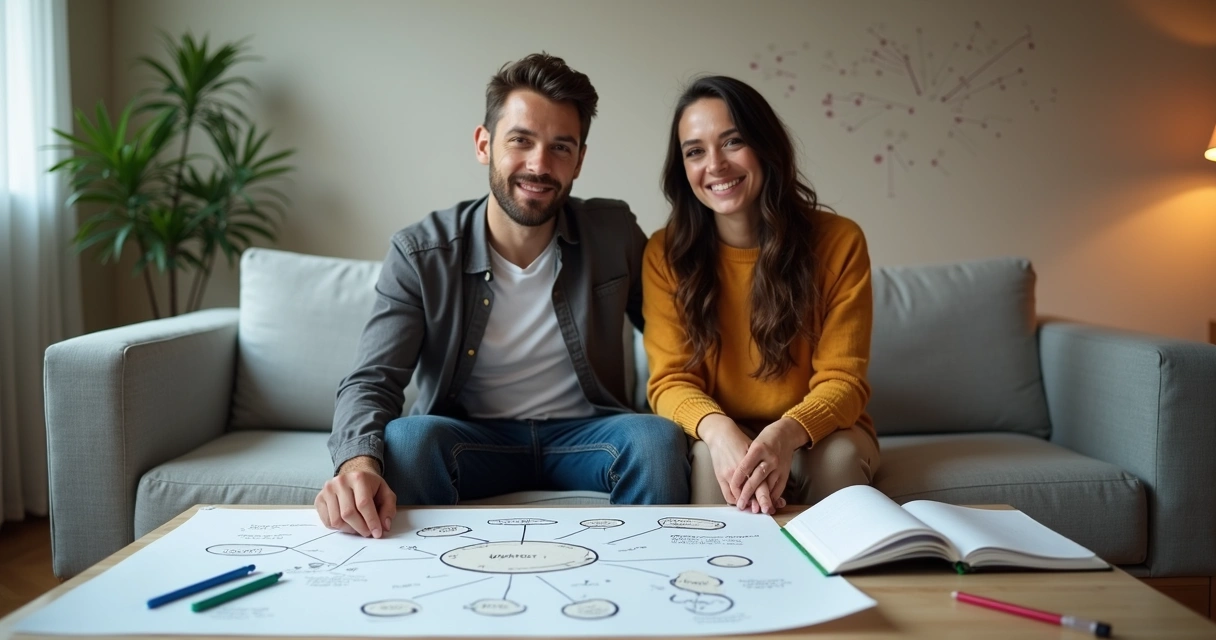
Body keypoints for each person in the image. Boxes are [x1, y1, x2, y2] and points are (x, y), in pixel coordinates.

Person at [317, 53, 690, 538]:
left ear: (579, 159)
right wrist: (357, 465)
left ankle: (647, 591)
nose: (539, 164)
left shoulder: (613, 231)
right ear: (484, 144)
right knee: (408, 438)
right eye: (521, 140)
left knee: (656, 439)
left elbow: (681, 338)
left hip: (588, 435)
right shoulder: (421, 251)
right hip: (470, 439)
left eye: (561, 147)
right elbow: (372, 379)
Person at [642, 75, 878, 516]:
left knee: (839, 462)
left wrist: (787, 434)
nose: (714, 164)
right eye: (695, 151)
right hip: (721, 428)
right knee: (714, 467)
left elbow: (844, 380)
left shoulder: (840, 241)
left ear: (766, 147)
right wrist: (719, 432)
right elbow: (670, 381)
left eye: (732, 142)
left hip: (819, 431)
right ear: (683, 168)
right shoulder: (665, 253)